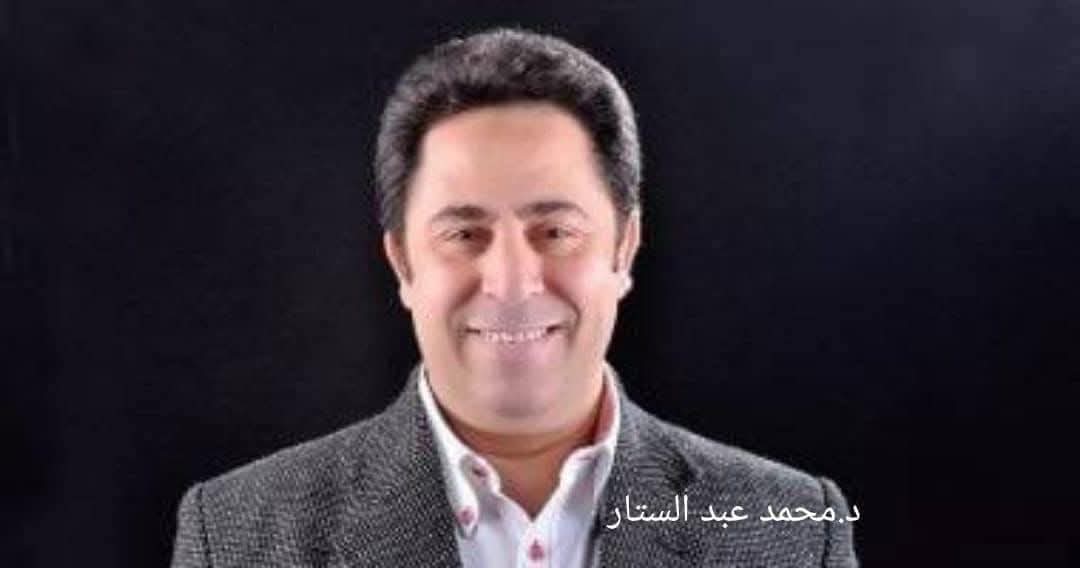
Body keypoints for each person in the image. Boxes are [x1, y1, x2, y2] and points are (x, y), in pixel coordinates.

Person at [171, 27, 858, 567]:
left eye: (554, 232)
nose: (511, 282)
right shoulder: (237, 538)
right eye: (464, 234)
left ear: (624, 247)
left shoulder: (794, 534)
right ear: (402, 261)